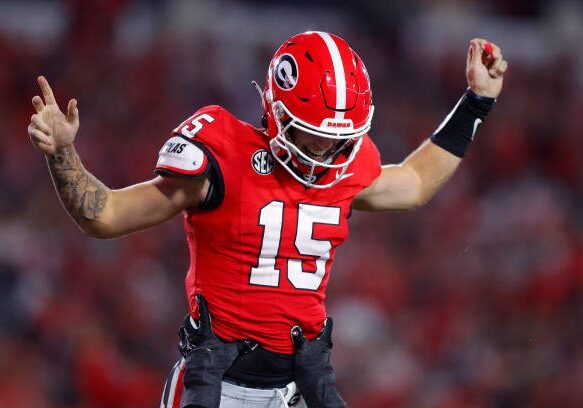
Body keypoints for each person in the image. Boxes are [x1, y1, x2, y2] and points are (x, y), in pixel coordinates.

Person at [27, 32, 507, 407]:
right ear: (277, 111)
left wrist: (476, 102)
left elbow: (416, 182)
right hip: (217, 387)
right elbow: (105, 215)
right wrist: (63, 154)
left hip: (299, 387)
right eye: (314, 136)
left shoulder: (346, 167)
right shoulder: (222, 155)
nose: (327, 152)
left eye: (339, 140)